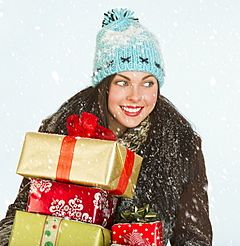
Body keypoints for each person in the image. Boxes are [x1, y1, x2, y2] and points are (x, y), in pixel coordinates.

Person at [0, 8, 212, 245]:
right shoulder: (61, 131)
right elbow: (20, 216)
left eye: (147, 83)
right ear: (105, 86)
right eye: (123, 82)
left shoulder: (180, 143)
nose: (136, 96)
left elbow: (195, 237)